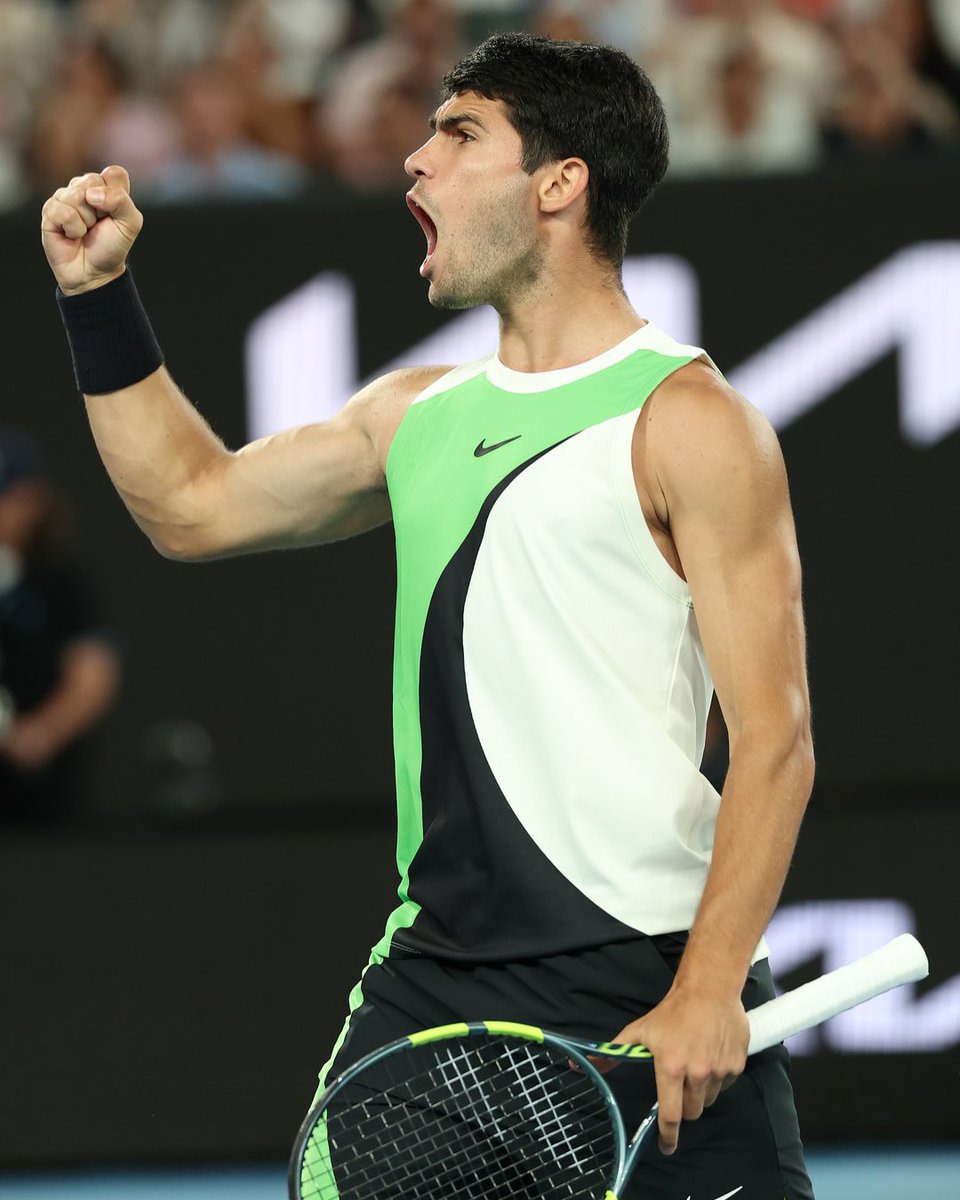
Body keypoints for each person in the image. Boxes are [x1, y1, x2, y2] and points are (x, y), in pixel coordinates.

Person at [40, 32, 815, 1198]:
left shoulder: (693, 423)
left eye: (458, 135)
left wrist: (707, 987)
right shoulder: (413, 417)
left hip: (645, 975)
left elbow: (776, 735)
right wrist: (98, 298)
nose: (413, 160)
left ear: (560, 183)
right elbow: (190, 508)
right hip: (434, 986)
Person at [0, 426, 121, 821]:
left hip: (42, 795)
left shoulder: (61, 582)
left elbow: (94, 673)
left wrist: (39, 735)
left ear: (32, 499)